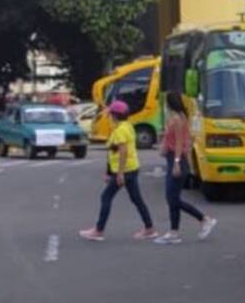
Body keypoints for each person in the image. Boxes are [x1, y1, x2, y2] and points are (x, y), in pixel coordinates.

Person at [79, 100, 156, 242]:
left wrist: (120, 173)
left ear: (115, 115)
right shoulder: (126, 126)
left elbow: (123, 152)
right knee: (136, 199)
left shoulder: (120, 130)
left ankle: (98, 230)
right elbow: (113, 152)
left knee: (106, 197)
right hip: (131, 168)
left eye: (110, 114)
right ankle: (149, 228)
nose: (109, 116)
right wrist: (109, 172)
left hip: (125, 170)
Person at [156, 91, 217, 244]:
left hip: (176, 159)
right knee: (173, 198)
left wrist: (176, 162)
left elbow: (179, 142)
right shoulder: (178, 117)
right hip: (173, 158)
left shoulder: (177, 118)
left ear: (169, 103)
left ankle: (203, 219)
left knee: (172, 198)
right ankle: (174, 232)